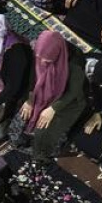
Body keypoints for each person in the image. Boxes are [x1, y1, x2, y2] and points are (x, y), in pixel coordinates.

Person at [12, 30, 88, 160]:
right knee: (22, 117)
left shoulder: (75, 65)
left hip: (69, 101)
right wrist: (30, 99)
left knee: (42, 133)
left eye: (46, 61)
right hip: (41, 92)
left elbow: (73, 92)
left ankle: (42, 154)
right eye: (39, 58)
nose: (41, 63)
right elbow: (33, 75)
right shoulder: (39, 50)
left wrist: (52, 109)